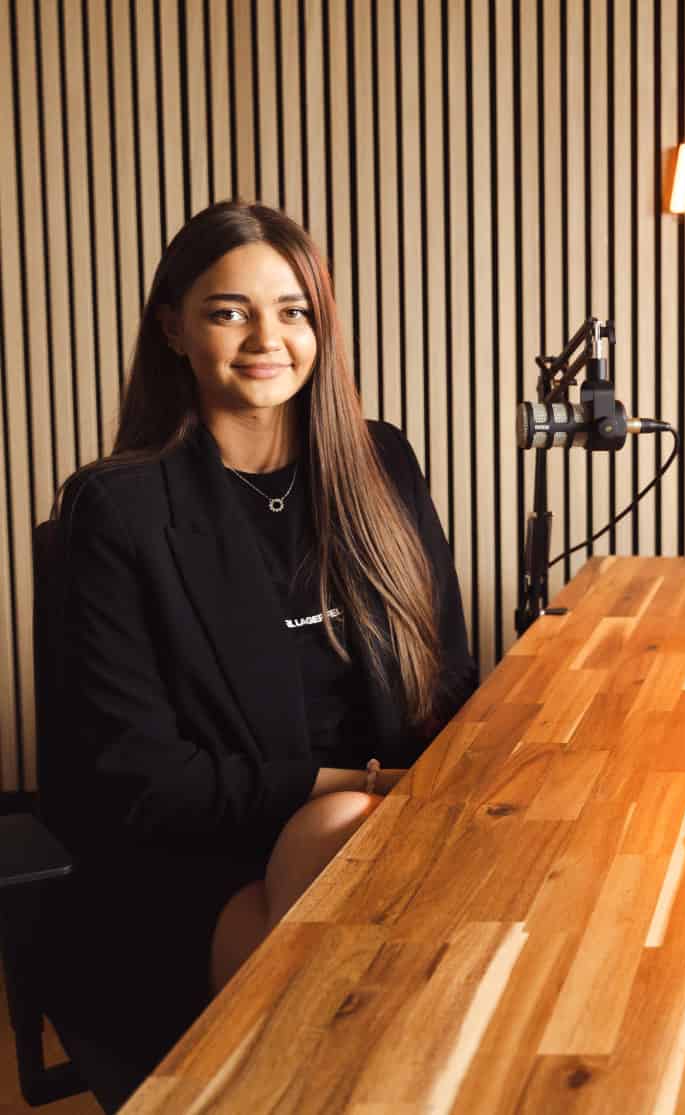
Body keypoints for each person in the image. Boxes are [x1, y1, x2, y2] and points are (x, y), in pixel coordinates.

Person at [37, 200, 477, 1107]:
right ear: (173, 327)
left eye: (292, 310)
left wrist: (412, 800)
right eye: (228, 311)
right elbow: (140, 780)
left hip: (393, 826)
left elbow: (450, 680)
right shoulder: (117, 511)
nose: (266, 339)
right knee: (339, 842)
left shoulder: (382, 464)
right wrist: (363, 787)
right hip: (201, 862)